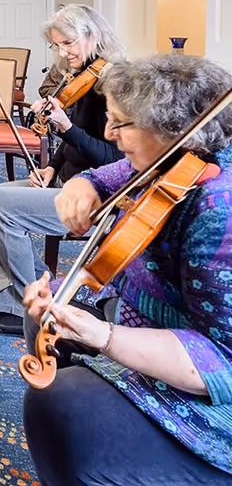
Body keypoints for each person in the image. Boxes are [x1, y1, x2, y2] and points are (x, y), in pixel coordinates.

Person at [22, 53, 232, 486]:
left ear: (172, 129)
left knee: (57, 406)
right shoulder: (170, 159)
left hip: (203, 393)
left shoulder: (219, 208)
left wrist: (105, 338)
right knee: (43, 315)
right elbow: (103, 176)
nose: (108, 133)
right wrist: (81, 186)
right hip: (135, 310)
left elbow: (223, 364)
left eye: (121, 124)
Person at [0, 4, 126, 336]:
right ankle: (35, 289)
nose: (62, 52)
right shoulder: (83, 77)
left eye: (68, 43)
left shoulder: (114, 85)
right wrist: (50, 167)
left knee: (0, 207)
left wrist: (66, 127)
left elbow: (115, 160)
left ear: (92, 35)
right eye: (57, 45)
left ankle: (32, 309)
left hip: (96, 194)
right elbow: (74, 144)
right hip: (65, 179)